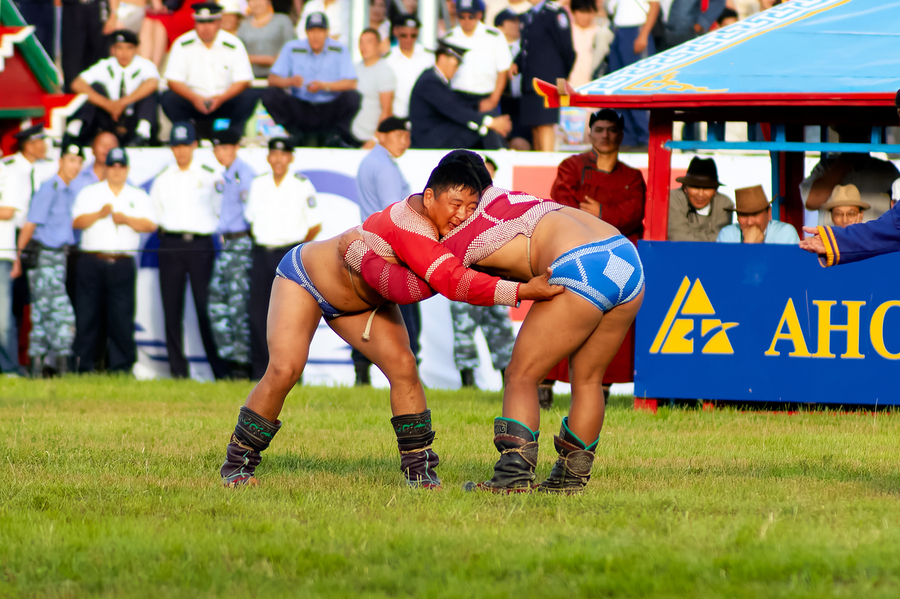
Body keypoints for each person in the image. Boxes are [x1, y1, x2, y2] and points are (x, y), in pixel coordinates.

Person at [218, 161, 561, 489]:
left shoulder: (450, 228)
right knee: (284, 369)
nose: (462, 215)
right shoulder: (408, 223)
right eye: (456, 203)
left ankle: (420, 473)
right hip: (306, 280)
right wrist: (523, 290)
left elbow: (436, 280)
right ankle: (236, 465)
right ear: (430, 197)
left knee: (403, 366)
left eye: (472, 207)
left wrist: (359, 255)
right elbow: (415, 288)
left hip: (362, 303)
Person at [343, 150, 643, 494]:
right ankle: (569, 480)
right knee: (589, 380)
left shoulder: (460, 232)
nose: (458, 214)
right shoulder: (509, 197)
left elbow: (413, 287)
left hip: (579, 265)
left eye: (463, 204)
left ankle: (512, 478)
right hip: (625, 258)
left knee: (521, 374)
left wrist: (358, 255)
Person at [150, 122, 228, 380]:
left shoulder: (209, 174)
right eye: (176, 146)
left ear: (194, 145)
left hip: (200, 245)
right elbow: (157, 213)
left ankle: (219, 369)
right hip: (170, 244)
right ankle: (177, 372)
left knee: (206, 307)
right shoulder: (163, 178)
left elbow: (220, 209)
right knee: (171, 310)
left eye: (185, 145)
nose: (181, 151)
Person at [71, 147, 157, 373]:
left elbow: (150, 225)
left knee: (122, 316)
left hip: (121, 262)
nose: (117, 170)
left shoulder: (137, 195)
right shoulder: (90, 193)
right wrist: (99, 214)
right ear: (106, 168)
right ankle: (85, 365)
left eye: (121, 166)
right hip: (92, 260)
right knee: (87, 315)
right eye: (113, 166)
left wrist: (127, 219)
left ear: (127, 169)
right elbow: (76, 221)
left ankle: (121, 366)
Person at [244, 137, 323, 381]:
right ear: (268, 157)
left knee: (290, 317)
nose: (278, 159)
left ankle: (291, 372)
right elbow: (250, 221)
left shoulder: (301, 185)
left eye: (283, 154)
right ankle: (260, 371)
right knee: (257, 312)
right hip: (261, 251)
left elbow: (315, 225)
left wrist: (297, 251)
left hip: (288, 254)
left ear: (291, 158)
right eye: (274, 154)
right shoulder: (258, 184)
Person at [351, 117, 419, 385]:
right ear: (380, 135)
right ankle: (410, 374)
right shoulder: (385, 167)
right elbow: (396, 214)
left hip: (370, 245)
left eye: (406, 135)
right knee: (406, 312)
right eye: (398, 134)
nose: (404, 140)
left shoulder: (371, 161)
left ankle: (361, 373)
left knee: (367, 308)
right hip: (389, 249)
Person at [13, 144, 85, 377]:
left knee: (42, 316)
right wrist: (17, 257)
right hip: (45, 258)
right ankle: (66, 370)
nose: (74, 166)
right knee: (62, 314)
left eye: (78, 161)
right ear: (61, 161)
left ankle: (35, 371)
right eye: (71, 160)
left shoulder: (67, 190)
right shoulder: (50, 188)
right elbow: (30, 224)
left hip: (58, 258)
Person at [450, 156, 515, 388]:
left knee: (502, 331)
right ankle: (467, 384)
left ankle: (509, 382)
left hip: (492, 279)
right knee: (463, 331)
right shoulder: (458, 204)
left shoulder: (499, 204)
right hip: (463, 278)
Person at [262, 12, 360, 148]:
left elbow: (351, 83)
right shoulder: (292, 48)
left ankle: (336, 134)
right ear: (306, 32)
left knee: (353, 97)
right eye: (312, 31)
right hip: (300, 106)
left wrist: (324, 86)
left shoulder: (339, 49)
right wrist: (290, 81)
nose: (316, 36)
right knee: (269, 94)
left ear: (327, 32)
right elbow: (272, 79)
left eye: (320, 31)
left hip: (329, 107)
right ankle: (294, 132)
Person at [160, 2, 256, 140]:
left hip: (224, 99)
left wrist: (221, 98)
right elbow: (173, 80)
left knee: (249, 96)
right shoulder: (182, 44)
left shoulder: (234, 44)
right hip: (193, 100)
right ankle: (187, 136)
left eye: (210, 22)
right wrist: (195, 98)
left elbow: (244, 80)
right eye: (201, 22)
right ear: (195, 23)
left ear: (219, 22)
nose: (205, 27)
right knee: (169, 98)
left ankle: (232, 137)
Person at [550, 109, 645, 242]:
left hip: (623, 248)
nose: (605, 135)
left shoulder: (633, 176)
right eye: (599, 130)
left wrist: (601, 212)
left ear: (621, 136)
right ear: (590, 136)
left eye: (611, 130)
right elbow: (566, 207)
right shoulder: (571, 166)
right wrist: (610, 213)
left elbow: (634, 214)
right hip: (580, 244)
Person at [207, 130, 257, 379]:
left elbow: (252, 212)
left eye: (225, 147)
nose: (220, 153)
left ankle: (242, 363)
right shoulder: (225, 175)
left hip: (240, 243)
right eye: (217, 148)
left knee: (239, 306)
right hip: (225, 245)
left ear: (235, 147)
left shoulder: (243, 175)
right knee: (218, 301)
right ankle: (229, 360)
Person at [408, 42, 512, 149]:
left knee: (483, 121)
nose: (457, 69)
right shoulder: (429, 82)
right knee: (482, 127)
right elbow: (454, 109)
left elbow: (456, 104)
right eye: (456, 64)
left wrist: (477, 106)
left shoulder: (434, 79)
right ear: (443, 58)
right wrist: (491, 122)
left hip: (437, 133)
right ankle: (500, 154)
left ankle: (499, 152)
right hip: (429, 139)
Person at [66, 29, 159, 147]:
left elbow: (153, 83)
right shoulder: (105, 65)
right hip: (110, 118)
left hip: (132, 118)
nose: (124, 53)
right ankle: (75, 131)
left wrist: (122, 103)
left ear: (136, 49)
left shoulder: (144, 65)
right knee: (93, 89)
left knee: (148, 93)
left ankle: (142, 134)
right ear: (113, 50)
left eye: (129, 48)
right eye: (120, 48)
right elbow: (77, 84)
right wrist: (108, 105)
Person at [800, 128, 898, 227]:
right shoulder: (825, 167)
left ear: (868, 135)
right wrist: (846, 160)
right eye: (848, 135)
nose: (855, 139)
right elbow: (812, 202)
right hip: (833, 239)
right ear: (840, 138)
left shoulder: (887, 169)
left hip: (876, 240)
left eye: (860, 134)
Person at [515, 0, 577, 152]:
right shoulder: (528, 15)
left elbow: (567, 50)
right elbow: (526, 47)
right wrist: (516, 63)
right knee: (535, 126)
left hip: (548, 80)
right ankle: (538, 165)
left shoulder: (555, 13)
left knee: (545, 124)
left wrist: (560, 76)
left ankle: (547, 165)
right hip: (530, 80)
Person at [604, 0, 660, 148]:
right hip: (618, 30)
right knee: (619, 86)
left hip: (636, 30)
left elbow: (654, 5)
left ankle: (644, 136)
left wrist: (643, 35)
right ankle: (627, 136)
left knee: (637, 86)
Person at [443, 0, 513, 115]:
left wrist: (493, 100)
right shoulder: (449, 38)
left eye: (471, 16)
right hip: (457, 96)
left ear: (479, 15)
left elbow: (503, 70)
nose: (466, 21)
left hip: (486, 97)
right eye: (462, 17)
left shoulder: (494, 36)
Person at [667, 157, 734, 241]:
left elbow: (723, 238)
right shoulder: (673, 198)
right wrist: (709, 237)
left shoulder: (725, 204)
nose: (700, 194)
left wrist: (690, 236)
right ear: (684, 187)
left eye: (707, 188)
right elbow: (678, 238)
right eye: (695, 187)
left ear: (715, 190)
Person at [350, 28, 396, 148]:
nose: (364, 46)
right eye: (361, 42)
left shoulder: (384, 71)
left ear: (379, 45)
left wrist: (374, 140)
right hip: (350, 135)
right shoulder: (354, 69)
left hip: (369, 139)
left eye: (369, 42)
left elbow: (387, 111)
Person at [61, 0, 118, 93]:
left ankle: (99, 102)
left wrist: (113, 14)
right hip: (73, 8)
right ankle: (73, 101)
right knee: (72, 65)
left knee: (99, 63)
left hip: (98, 8)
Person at [383, 15, 434, 119]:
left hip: (425, 116)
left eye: (413, 35)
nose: (409, 39)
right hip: (398, 116)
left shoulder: (430, 57)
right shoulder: (387, 60)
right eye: (403, 35)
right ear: (395, 32)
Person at [717, 185, 800, 244]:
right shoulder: (727, 234)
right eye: (744, 215)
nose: (750, 222)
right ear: (737, 217)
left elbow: (784, 267)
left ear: (769, 213)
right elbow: (725, 268)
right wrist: (748, 246)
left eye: (755, 214)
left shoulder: (784, 232)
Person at [237, 0, 296, 79]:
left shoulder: (283, 20)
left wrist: (276, 60)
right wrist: (265, 60)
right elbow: (238, 52)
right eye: (252, 1)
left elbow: (291, 46)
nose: (256, 3)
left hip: (279, 77)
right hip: (250, 77)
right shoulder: (243, 25)